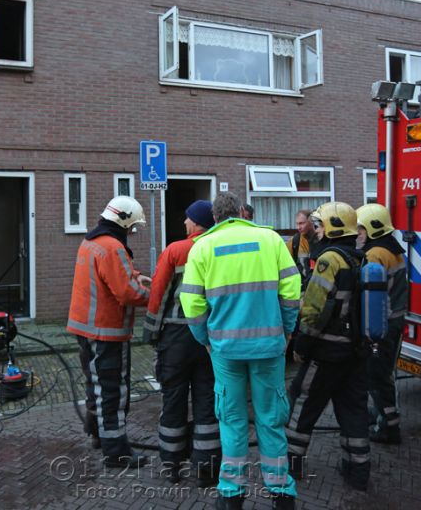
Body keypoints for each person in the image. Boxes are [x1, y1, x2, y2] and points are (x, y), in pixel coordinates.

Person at [180, 192, 300, 510]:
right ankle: (281, 492)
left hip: (225, 349)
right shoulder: (271, 240)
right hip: (269, 347)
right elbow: (292, 289)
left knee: (231, 420)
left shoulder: (202, 247)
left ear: (216, 218)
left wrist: (205, 338)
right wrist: (287, 331)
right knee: (271, 419)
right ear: (241, 213)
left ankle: (232, 494)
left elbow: (191, 303)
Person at [286, 201, 371, 491]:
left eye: (321, 225)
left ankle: (291, 465)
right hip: (355, 352)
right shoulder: (362, 258)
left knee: (302, 403)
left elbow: (314, 307)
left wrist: (302, 344)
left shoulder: (329, 259)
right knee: (353, 411)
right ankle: (357, 472)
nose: (317, 230)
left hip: (326, 352)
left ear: (334, 227)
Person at [67, 195, 151, 468]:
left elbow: (110, 276)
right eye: (132, 226)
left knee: (97, 386)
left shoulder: (90, 242)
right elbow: (127, 293)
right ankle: (116, 452)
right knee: (114, 391)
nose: (131, 231)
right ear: (123, 221)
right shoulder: (113, 247)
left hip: (86, 329)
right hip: (106, 333)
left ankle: (97, 434)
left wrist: (135, 275)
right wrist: (155, 294)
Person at [142, 200, 221, 485]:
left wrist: (150, 332)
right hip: (210, 339)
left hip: (176, 337)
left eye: (188, 218)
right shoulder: (219, 248)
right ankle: (207, 469)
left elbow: (158, 295)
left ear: (196, 222)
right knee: (207, 401)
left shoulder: (176, 250)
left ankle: (172, 466)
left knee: (173, 399)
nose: (185, 223)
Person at [357, 203, 408, 445]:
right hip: (395, 322)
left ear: (373, 228)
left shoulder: (374, 255)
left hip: (382, 326)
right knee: (384, 373)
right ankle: (380, 418)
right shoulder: (394, 250)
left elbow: (367, 295)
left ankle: (388, 426)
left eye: (361, 229)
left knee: (378, 376)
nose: (358, 234)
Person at [288, 209, 316, 289]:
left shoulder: (322, 240)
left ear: (311, 222)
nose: (298, 227)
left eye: (302, 223)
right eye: (297, 224)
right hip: (302, 289)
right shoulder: (294, 242)